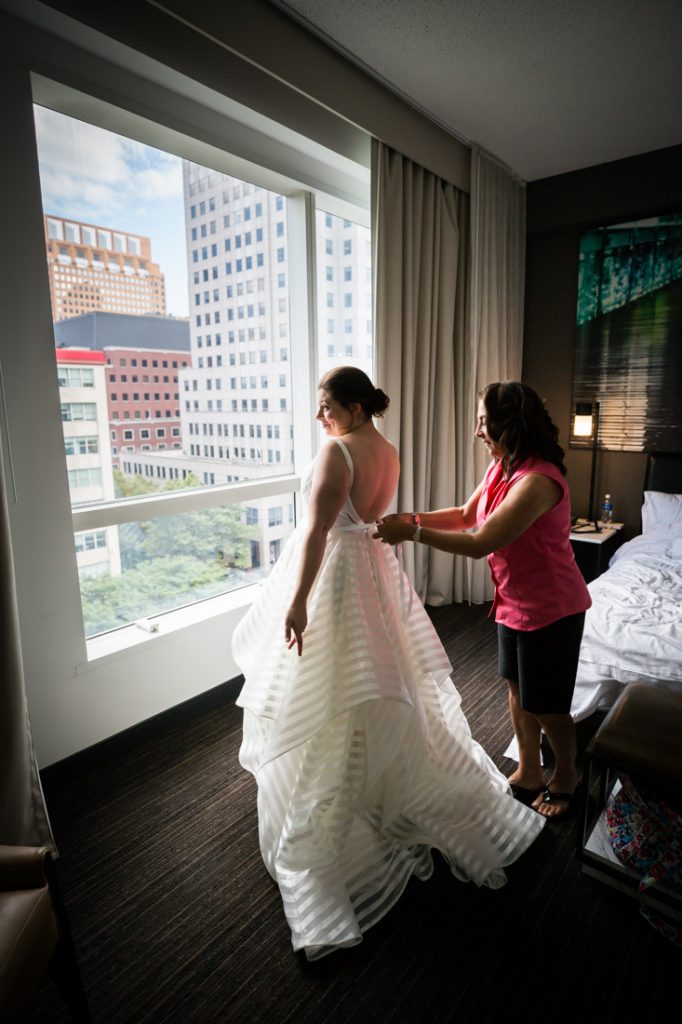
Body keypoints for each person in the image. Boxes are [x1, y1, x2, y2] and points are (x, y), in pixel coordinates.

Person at [232, 367, 544, 961]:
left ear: (352, 407)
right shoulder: (390, 451)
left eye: (325, 405)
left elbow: (317, 533)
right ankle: (381, 774)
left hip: (337, 579)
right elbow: (368, 521)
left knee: (329, 691)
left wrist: (297, 602)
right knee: (383, 676)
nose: (318, 415)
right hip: (374, 573)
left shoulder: (337, 453)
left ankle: (338, 809)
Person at [376, 381, 591, 821]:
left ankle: (566, 775)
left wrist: (412, 533)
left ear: (508, 425)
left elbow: (480, 541)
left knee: (547, 705)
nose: (478, 431)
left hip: (552, 609)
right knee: (516, 689)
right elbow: (464, 515)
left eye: (482, 422)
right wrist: (410, 518)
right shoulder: (502, 467)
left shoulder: (538, 481)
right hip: (513, 601)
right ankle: (530, 769)